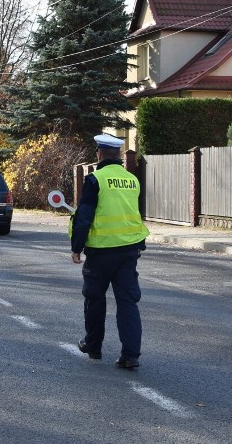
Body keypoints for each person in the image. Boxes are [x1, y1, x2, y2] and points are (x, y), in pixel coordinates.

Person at [70, 133, 150, 369]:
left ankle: (93, 346)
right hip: (129, 250)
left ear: (99, 154)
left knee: (95, 298)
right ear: (118, 156)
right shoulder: (132, 179)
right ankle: (131, 355)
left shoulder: (95, 180)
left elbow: (84, 216)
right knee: (128, 302)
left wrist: (77, 247)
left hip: (102, 251)